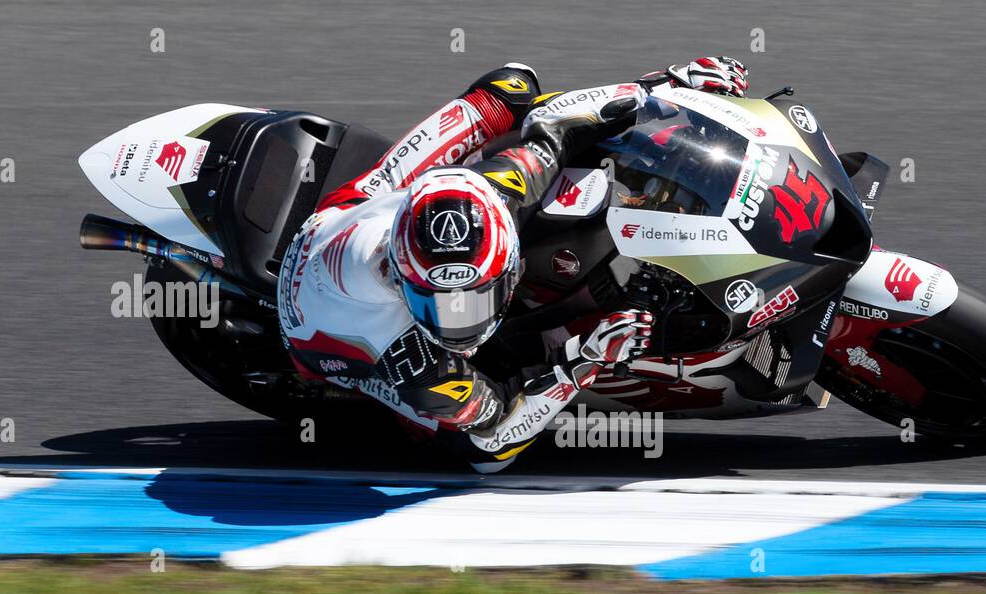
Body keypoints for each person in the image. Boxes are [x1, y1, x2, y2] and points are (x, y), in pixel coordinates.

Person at [277, 56, 749, 471]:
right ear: (403, 280)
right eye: (444, 305)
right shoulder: (418, 363)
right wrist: (583, 360)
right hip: (317, 329)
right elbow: (492, 442)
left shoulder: (500, 188)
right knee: (461, 444)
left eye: (473, 298)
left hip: (353, 212)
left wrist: (665, 88)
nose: (460, 320)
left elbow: (556, 123)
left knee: (513, 88)